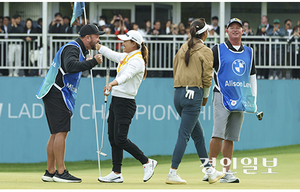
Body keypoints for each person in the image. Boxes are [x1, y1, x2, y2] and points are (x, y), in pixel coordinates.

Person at [36, 24, 105, 183]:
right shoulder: (73, 48)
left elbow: (71, 67)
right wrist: (92, 62)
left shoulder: (77, 49)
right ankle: (60, 172)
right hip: (57, 91)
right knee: (61, 132)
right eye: (96, 36)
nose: (98, 39)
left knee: (55, 132)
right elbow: (70, 66)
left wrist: (88, 61)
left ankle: (50, 171)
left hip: (53, 91)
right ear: (88, 38)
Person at [165, 18, 224, 185]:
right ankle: (172, 172)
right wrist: (205, 97)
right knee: (184, 134)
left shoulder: (183, 47)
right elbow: (207, 78)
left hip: (178, 93)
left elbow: (175, 69)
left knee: (198, 135)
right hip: (193, 94)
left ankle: (210, 171)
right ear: (205, 33)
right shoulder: (206, 51)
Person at [97, 30, 157, 183]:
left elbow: (126, 75)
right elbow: (111, 54)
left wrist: (112, 83)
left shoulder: (137, 60)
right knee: (113, 138)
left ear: (134, 44)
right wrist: (97, 46)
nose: (122, 43)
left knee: (121, 139)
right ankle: (116, 172)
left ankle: (147, 162)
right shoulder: (127, 56)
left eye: (125, 41)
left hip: (125, 103)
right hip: (116, 101)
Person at [207, 18, 257, 183]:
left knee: (231, 137)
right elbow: (208, 71)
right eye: (232, 27)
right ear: (227, 31)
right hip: (221, 94)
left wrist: (253, 99)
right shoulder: (218, 49)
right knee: (218, 134)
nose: (235, 30)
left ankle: (226, 172)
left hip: (241, 97)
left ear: (243, 31)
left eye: (238, 27)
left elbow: (252, 76)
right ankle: (210, 170)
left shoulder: (249, 52)